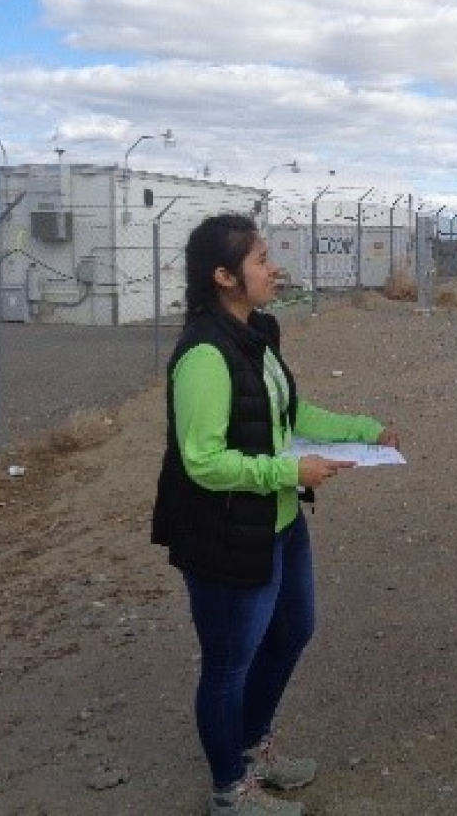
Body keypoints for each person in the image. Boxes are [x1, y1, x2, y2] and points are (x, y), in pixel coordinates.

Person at [152, 213, 401, 816]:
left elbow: (289, 411)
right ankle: (229, 792)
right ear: (224, 276)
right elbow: (203, 462)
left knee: (292, 631)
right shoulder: (204, 356)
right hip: (224, 533)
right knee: (228, 665)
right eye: (262, 260)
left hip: (278, 524)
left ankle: (250, 747)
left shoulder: (258, 332)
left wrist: (366, 431)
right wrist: (290, 471)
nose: (274, 268)